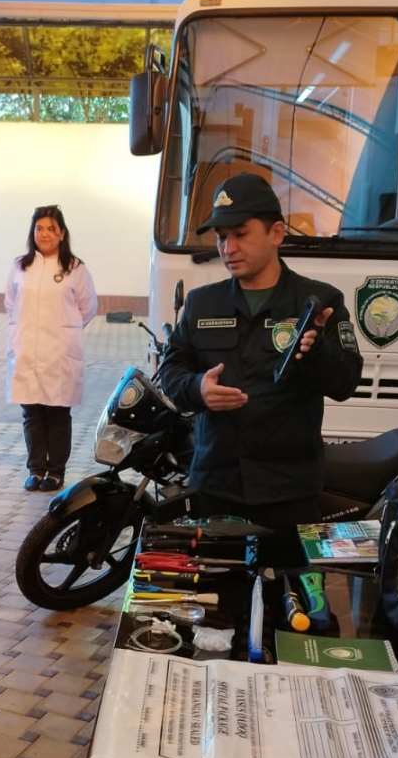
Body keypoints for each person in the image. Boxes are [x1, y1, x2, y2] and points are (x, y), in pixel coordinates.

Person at [156, 172, 364, 526]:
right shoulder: (201, 304)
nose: (228, 248)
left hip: (289, 492)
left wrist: (316, 353)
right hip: (216, 486)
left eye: (240, 234)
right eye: (222, 237)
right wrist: (197, 388)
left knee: (289, 568)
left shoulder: (320, 301)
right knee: (213, 568)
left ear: (276, 233)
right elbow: (170, 371)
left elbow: (345, 382)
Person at [4, 205, 98, 492]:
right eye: (39, 228)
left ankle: (55, 471)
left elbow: (88, 307)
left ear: (62, 234)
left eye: (51, 229)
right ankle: (35, 469)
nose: (44, 234)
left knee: (57, 414)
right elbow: (10, 303)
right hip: (26, 352)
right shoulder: (21, 266)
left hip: (59, 354)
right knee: (32, 413)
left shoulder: (75, 268)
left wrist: (64, 332)